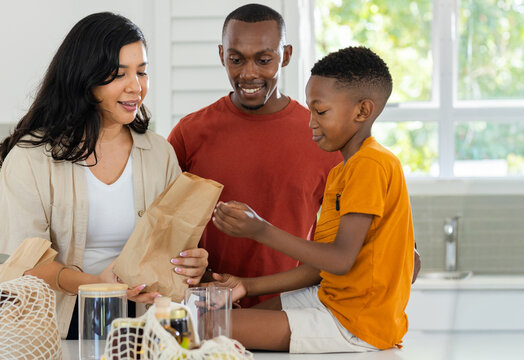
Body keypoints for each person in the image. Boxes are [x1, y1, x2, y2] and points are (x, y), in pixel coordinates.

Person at [0, 12, 208, 339]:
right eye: (118, 74)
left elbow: (172, 246)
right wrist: (98, 284)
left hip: (148, 325)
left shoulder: (159, 153)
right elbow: (28, 263)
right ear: (85, 78)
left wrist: (192, 262)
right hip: (59, 326)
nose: (136, 86)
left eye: (142, 72)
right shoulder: (30, 158)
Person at [211, 46, 415, 353]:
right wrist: (246, 285)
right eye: (310, 111)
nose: (311, 123)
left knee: (206, 326)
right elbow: (321, 267)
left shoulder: (370, 164)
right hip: (329, 298)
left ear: (362, 111)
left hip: (354, 322)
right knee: (218, 319)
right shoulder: (343, 170)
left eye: (320, 112)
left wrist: (259, 230)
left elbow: (340, 260)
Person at [167, 3, 342, 308]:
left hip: (290, 311)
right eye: (236, 60)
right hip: (206, 307)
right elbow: (166, 224)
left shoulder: (323, 137)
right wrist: (205, 279)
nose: (249, 74)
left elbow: (342, 243)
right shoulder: (189, 133)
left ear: (285, 56)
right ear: (222, 55)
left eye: (263, 60)